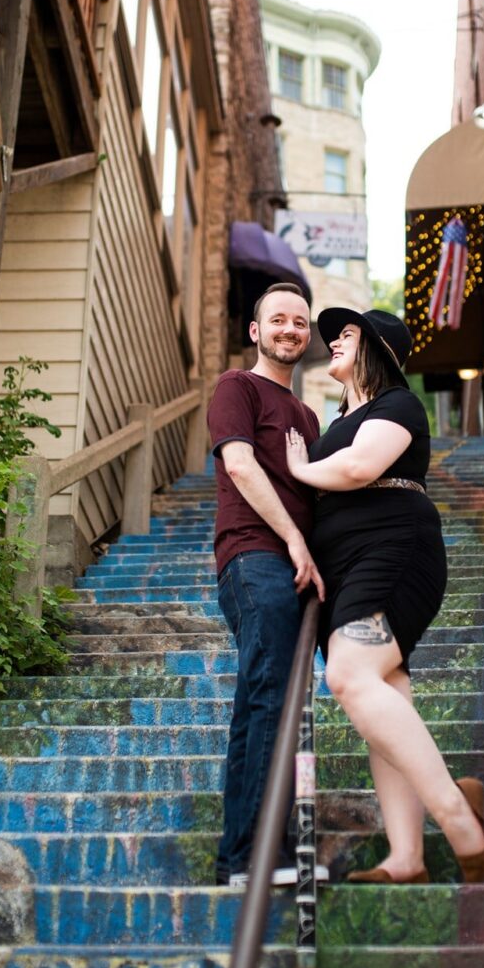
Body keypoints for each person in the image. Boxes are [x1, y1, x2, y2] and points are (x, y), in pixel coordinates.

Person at [285, 307, 484, 884]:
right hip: (344, 567)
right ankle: (406, 859)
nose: (332, 342)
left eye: (346, 335)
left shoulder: (397, 403)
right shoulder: (338, 420)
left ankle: (455, 811)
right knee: (385, 693)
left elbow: (359, 468)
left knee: (349, 676)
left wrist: (301, 469)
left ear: (377, 350)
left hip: (393, 551)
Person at [207, 280, 328, 889]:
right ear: (256, 331)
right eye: (277, 320)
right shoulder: (238, 387)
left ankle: (244, 855)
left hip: (294, 569)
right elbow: (239, 464)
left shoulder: (307, 416)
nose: (289, 330)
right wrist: (294, 540)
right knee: (273, 699)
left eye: (300, 323)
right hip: (255, 559)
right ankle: (261, 856)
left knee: (266, 704)